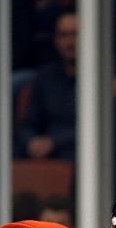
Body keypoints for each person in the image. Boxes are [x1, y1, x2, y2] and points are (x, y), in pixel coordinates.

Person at [16, 11, 78, 162]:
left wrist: (54, 142)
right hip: (48, 156)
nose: (69, 42)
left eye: (75, 35)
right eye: (63, 35)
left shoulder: (105, 81)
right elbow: (29, 122)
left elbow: (108, 129)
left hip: (83, 156)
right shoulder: (45, 77)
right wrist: (31, 141)